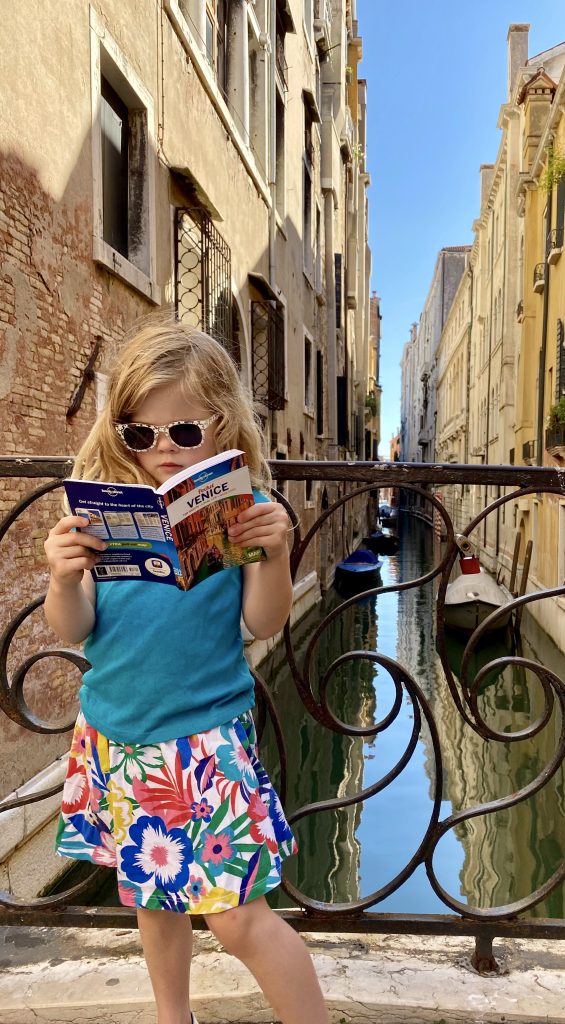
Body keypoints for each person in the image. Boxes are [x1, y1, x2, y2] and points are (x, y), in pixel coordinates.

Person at [43, 319, 328, 1024]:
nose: (161, 450)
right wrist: (62, 579)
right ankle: (175, 1017)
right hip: (115, 733)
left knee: (237, 920)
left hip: (203, 741)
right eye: (140, 434)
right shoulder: (100, 507)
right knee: (151, 897)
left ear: (222, 422)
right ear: (120, 432)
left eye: (184, 433)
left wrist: (277, 554)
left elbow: (263, 624)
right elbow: (73, 628)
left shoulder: (245, 510)